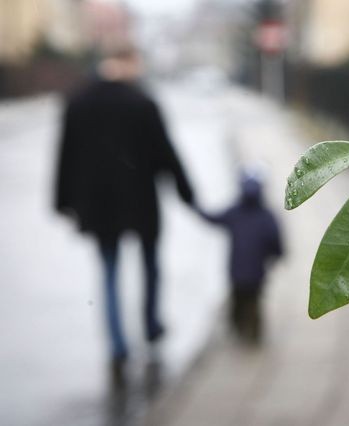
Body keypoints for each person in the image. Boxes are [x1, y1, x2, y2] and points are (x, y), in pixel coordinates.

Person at [54, 45, 195, 373]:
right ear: (129, 62)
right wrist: (186, 192)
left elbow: (66, 155)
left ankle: (118, 344)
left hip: (99, 205)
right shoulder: (142, 103)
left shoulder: (78, 101)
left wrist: (62, 201)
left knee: (109, 271)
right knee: (150, 266)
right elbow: (165, 153)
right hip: (141, 201)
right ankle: (150, 326)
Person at [200, 173, 283, 343]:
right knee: (253, 303)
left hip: (236, 272)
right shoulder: (267, 216)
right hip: (257, 273)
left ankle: (237, 329)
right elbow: (276, 242)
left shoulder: (234, 213)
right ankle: (254, 334)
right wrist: (276, 255)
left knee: (237, 302)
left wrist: (193, 205)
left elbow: (213, 218)